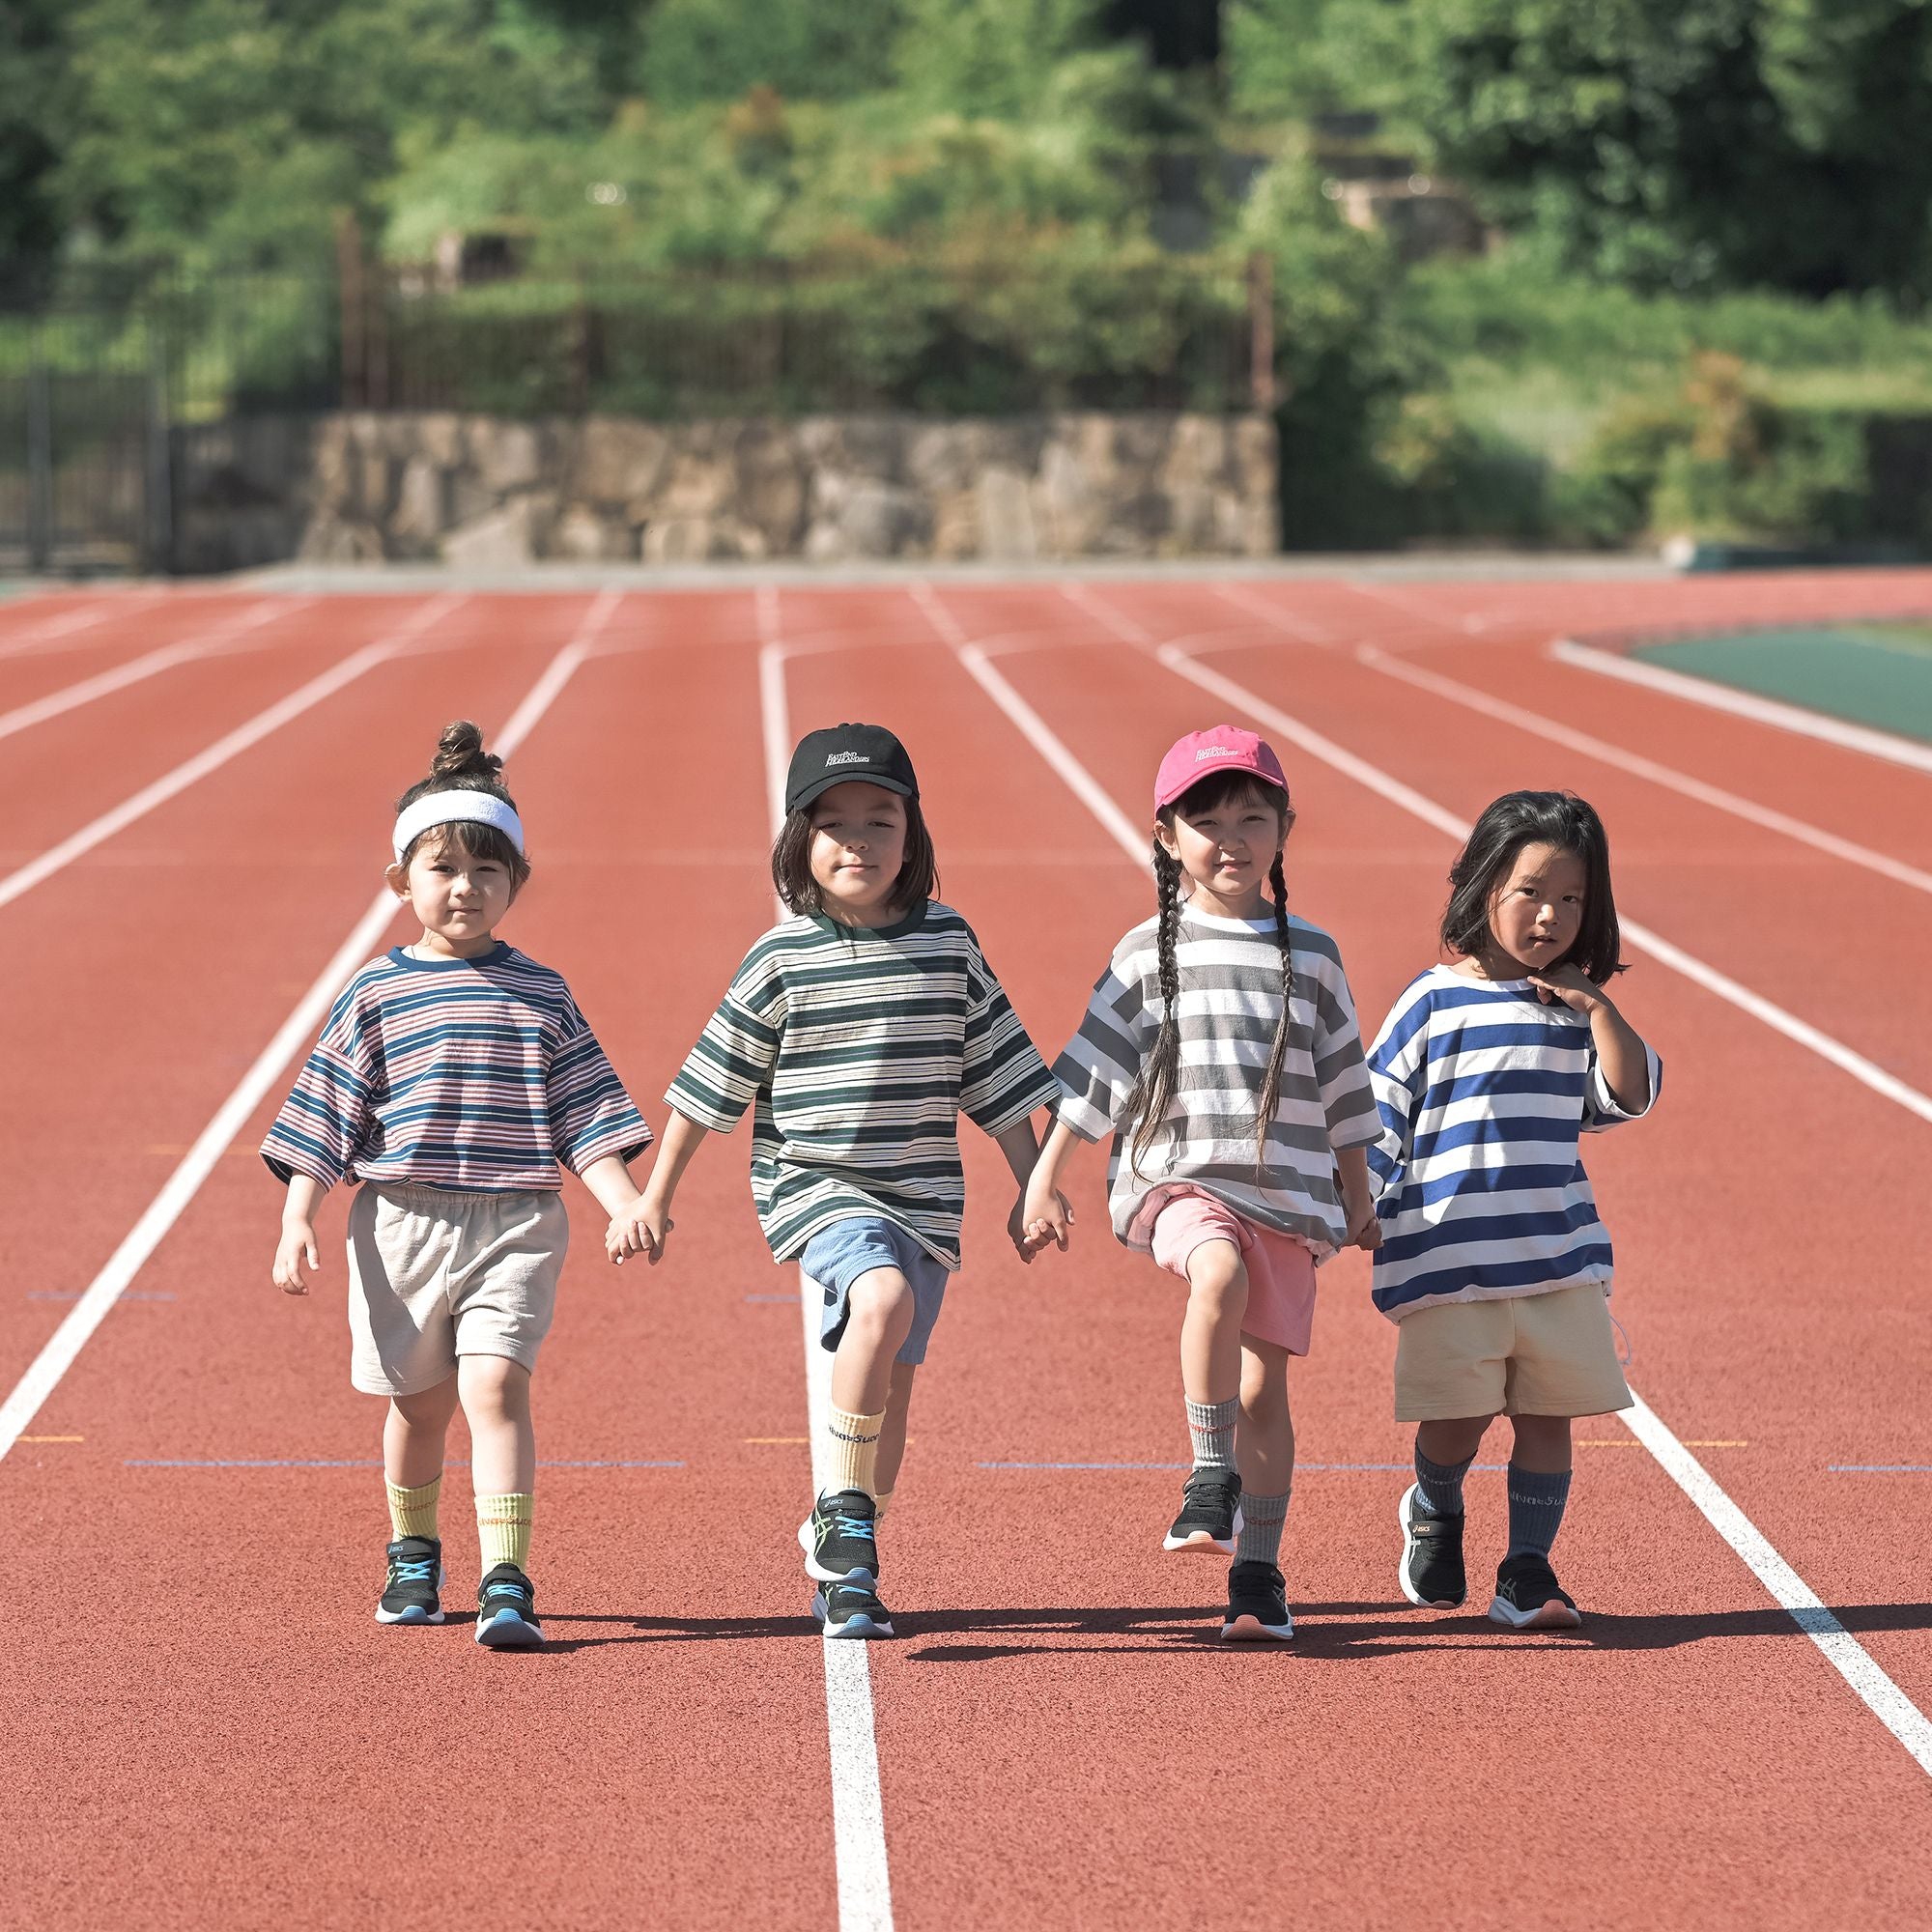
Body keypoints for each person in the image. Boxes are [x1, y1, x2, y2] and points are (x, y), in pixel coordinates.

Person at [611, 723, 1062, 1639]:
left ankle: (849, 1560)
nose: (857, 841)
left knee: (890, 1392)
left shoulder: (949, 943)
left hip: (924, 1194)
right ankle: (844, 1520)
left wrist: (1032, 1184)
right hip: (815, 1182)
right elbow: (713, 1082)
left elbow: (999, 1071)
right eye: (833, 823)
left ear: (914, 837)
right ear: (797, 843)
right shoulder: (781, 958)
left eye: (880, 821)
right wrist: (656, 1194)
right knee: (881, 1299)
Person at [263, 722, 651, 1649]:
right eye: (442, 870)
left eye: (487, 870)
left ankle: (507, 1579)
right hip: (401, 1224)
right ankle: (413, 1553)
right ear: (403, 883)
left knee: (496, 1388)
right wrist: (296, 1216)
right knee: (417, 1406)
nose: (465, 888)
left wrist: (625, 1199)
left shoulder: (543, 995)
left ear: (517, 880)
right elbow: (328, 1112)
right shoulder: (373, 995)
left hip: (517, 1223)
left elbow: (585, 1113)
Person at [1024, 726, 1381, 1642]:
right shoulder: (1147, 954)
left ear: (1284, 829)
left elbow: (1345, 1086)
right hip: (1182, 1182)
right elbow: (1094, 1071)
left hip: (1291, 1197)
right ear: (1166, 836)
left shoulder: (1315, 957)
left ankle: (1258, 1577)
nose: (1231, 838)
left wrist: (1357, 1193)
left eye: (1252, 818)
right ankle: (1207, 1471)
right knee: (1213, 1274)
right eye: (1206, 819)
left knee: (1268, 1394)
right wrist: (1044, 1179)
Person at [1368, 790, 1659, 1631]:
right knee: (1455, 1421)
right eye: (1531, 891)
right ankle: (1434, 1500)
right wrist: (1364, 1201)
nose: (1550, 916)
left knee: (1548, 1417)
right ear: (1482, 884)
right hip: (1449, 1256)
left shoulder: (1573, 1014)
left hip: (1556, 1259)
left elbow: (1630, 1094)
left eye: (1572, 898)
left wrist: (1600, 1007)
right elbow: (1381, 1105)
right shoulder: (1434, 1000)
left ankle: (1527, 1571)